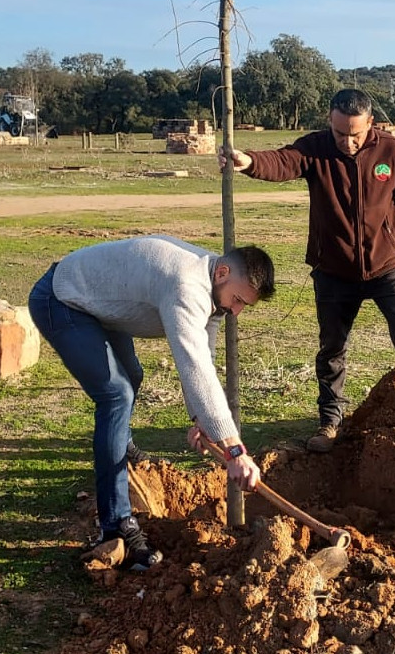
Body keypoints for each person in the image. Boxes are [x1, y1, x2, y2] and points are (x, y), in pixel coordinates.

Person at [219, 88, 395, 457]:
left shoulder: (392, 151)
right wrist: (248, 161)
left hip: (388, 266)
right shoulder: (316, 148)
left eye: (355, 134)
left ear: (371, 124)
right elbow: (283, 162)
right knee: (332, 349)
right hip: (333, 271)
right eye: (341, 133)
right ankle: (329, 423)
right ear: (330, 121)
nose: (347, 141)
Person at [28, 235, 275, 570]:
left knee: (132, 374)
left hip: (100, 305)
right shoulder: (186, 286)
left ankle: (120, 446)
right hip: (64, 299)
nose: (237, 310)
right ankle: (115, 526)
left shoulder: (214, 291)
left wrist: (202, 420)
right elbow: (192, 363)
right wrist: (234, 449)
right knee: (116, 395)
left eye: (244, 304)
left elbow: (204, 358)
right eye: (238, 299)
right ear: (223, 273)